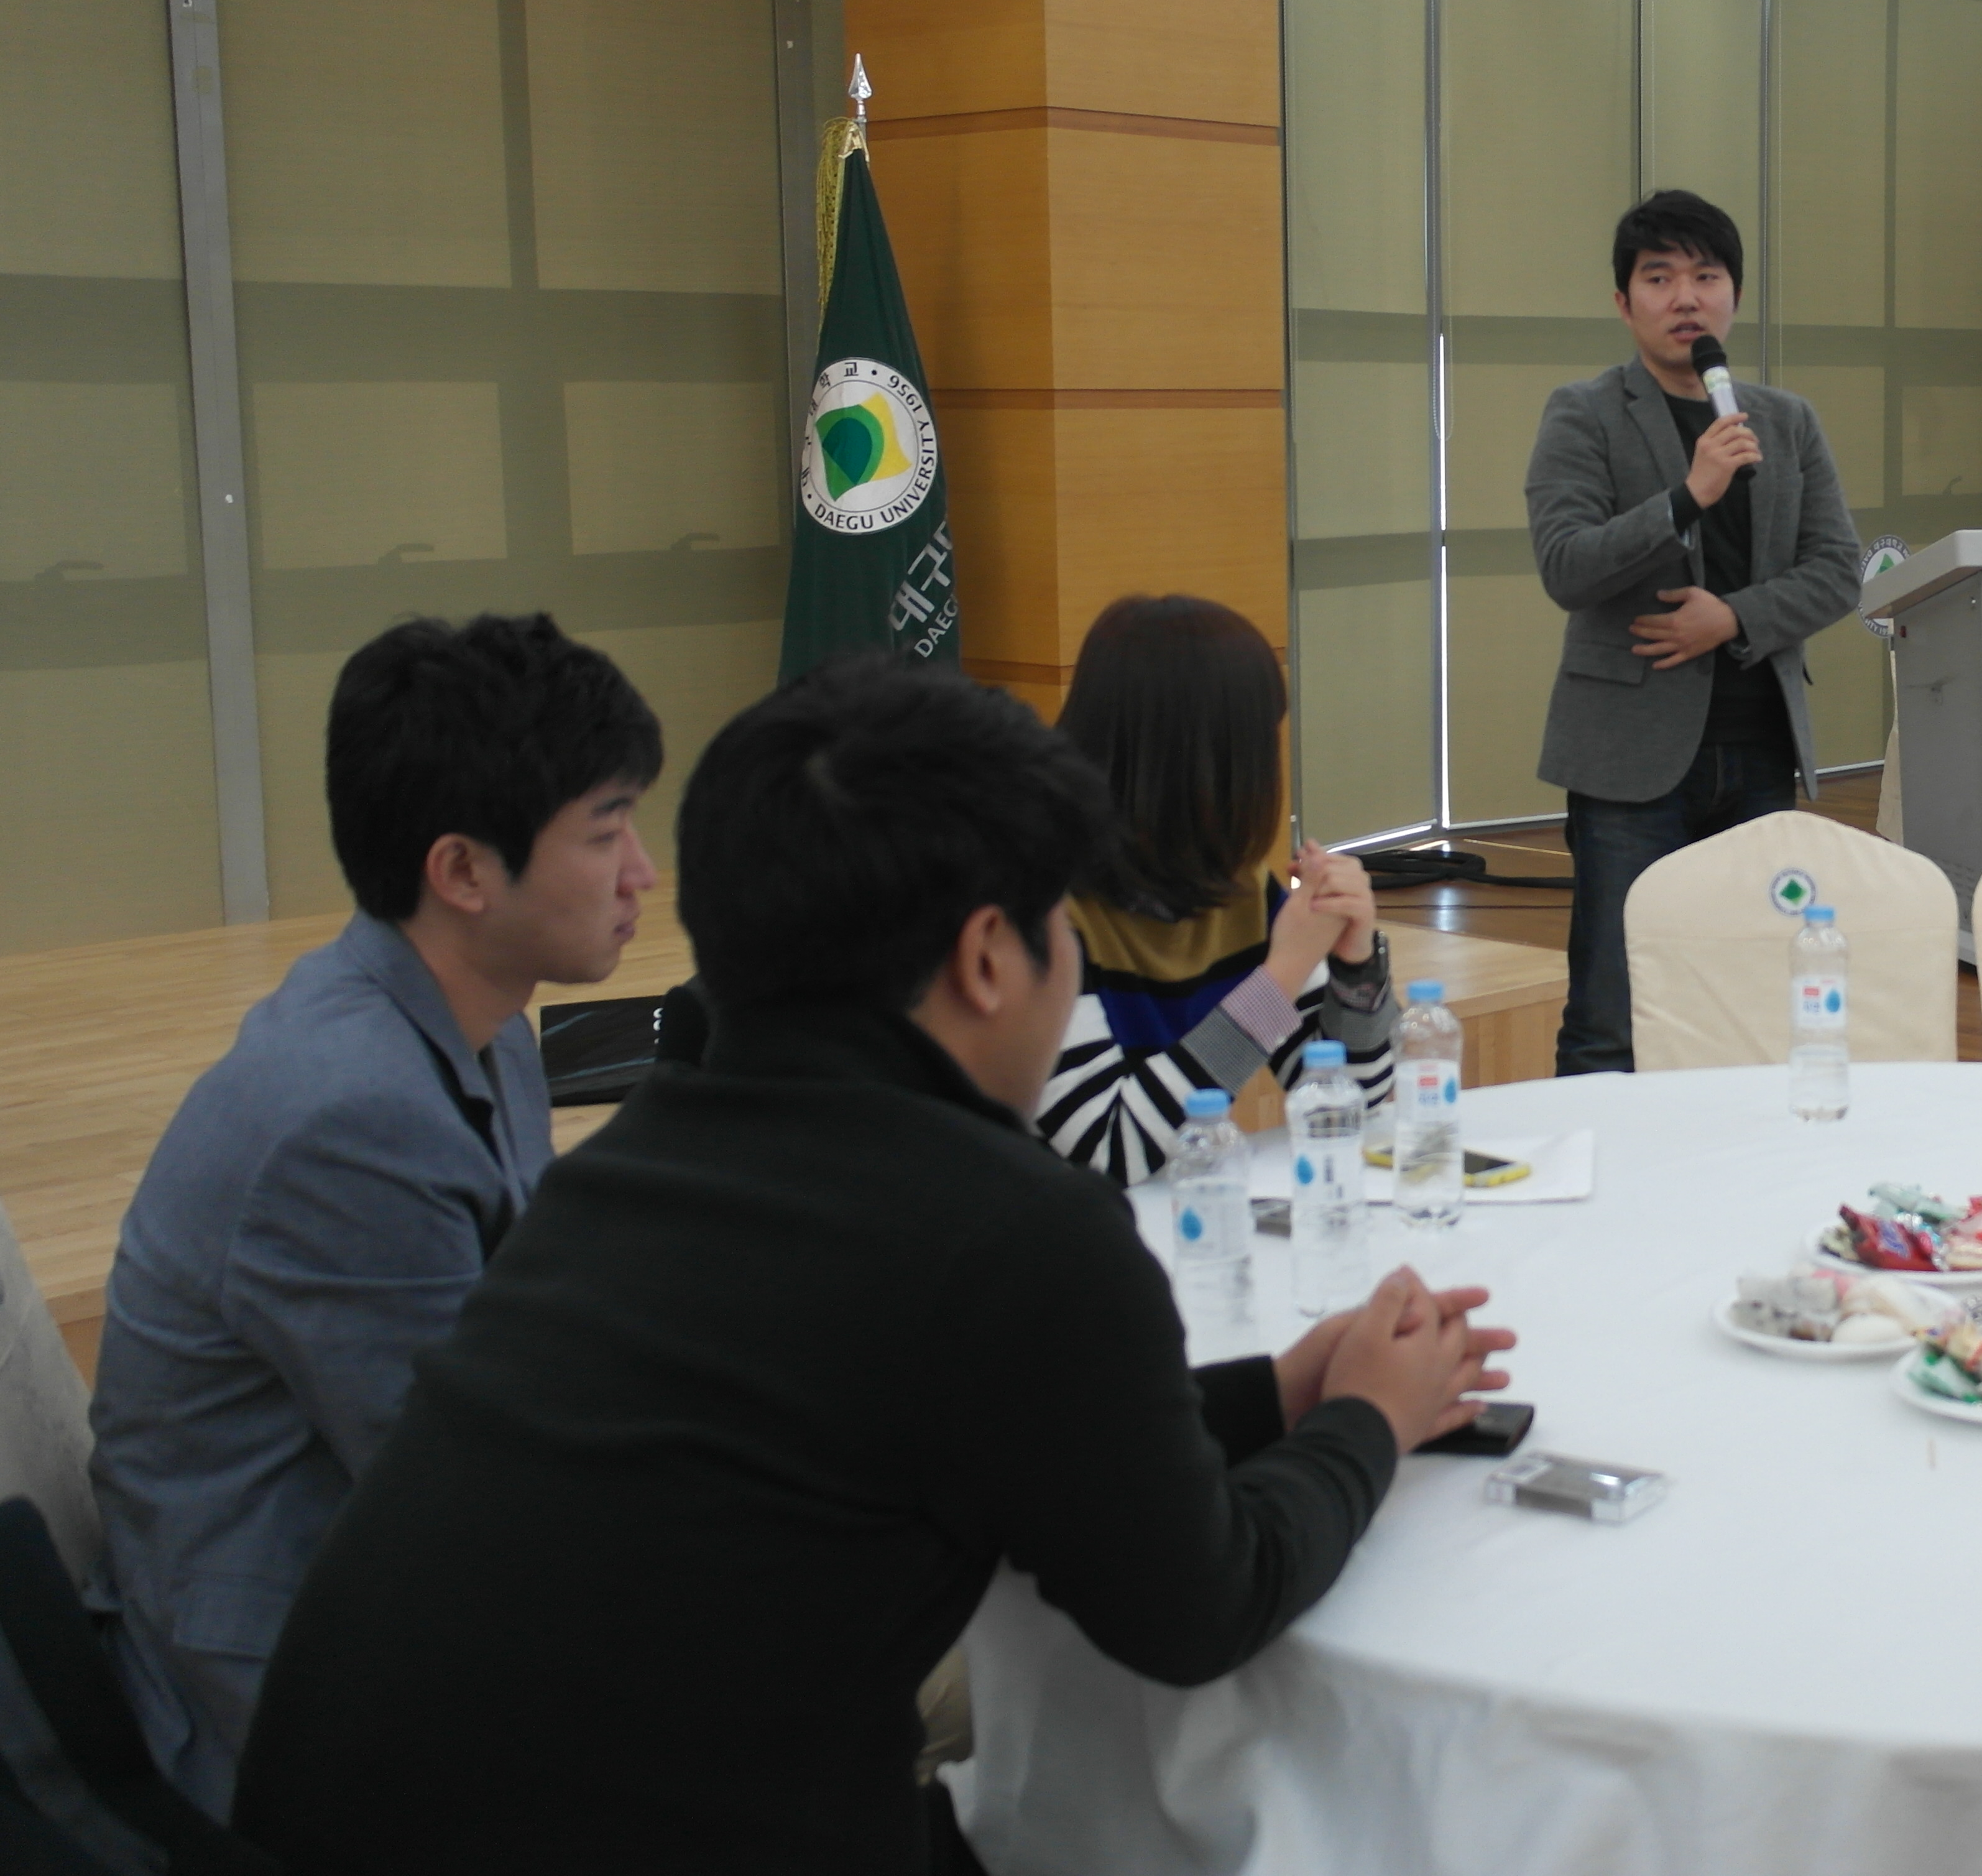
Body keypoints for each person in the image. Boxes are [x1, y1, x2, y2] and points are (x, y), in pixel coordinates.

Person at [234, 656, 1511, 1876]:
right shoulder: (1014, 1229)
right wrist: (1367, 1421)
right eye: (1057, 924)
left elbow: (985, 1428)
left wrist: (1274, 1395)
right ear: (987, 959)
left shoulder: (635, 1163)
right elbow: (1201, 1607)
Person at [84, 614, 660, 1813]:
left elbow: (536, 1351)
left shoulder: (471, 1025)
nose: (642, 873)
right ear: (462, 871)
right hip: (303, 1702)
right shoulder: (352, 1116)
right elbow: (480, 1501)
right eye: (606, 831)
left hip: (404, 1607)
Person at [1524, 190, 1861, 1072]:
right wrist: (1689, 495)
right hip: (1628, 762)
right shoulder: (1583, 412)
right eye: (1659, 277)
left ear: (1734, 297)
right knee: (1612, 1015)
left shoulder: (1785, 421)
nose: (1686, 297)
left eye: (1706, 277)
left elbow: (1838, 568)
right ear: (1623, 301)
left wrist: (1733, 618)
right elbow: (1566, 566)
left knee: (1747, 1006)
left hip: (1759, 754)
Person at [1035, 595, 1398, 1180]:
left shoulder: (1233, 886)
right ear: (1209, 762)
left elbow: (1348, 1105)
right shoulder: (1036, 903)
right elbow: (1110, 1149)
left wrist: (1356, 963)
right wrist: (1283, 972)